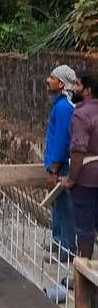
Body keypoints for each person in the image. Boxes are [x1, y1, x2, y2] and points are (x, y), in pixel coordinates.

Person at [63, 74, 98, 258]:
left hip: (86, 180)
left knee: (84, 229)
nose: (74, 87)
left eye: (77, 84)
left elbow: (78, 151)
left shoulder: (81, 114)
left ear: (87, 90)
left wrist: (71, 179)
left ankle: (83, 281)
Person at [44, 64, 77, 258]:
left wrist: (54, 168)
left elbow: (63, 140)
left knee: (65, 207)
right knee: (57, 205)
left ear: (61, 84)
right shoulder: (60, 105)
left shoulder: (64, 108)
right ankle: (58, 242)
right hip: (57, 165)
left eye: (52, 77)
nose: (48, 80)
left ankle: (67, 249)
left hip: (62, 167)